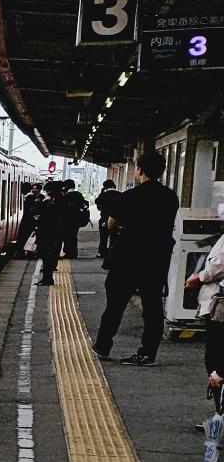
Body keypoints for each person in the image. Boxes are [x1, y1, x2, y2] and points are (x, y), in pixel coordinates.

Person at [96, 149, 180, 365]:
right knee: (152, 306)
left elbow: (111, 224)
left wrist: (129, 223)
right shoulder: (171, 197)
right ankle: (147, 354)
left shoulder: (130, 196)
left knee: (115, 305)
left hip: (128, 256)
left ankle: (103, 346)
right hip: (157, 257)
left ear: (140, 170)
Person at [186, 231, 224, 401]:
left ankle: (220, 415)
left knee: (215, 359)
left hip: (219, 305)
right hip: (215, 305)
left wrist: (200, 277)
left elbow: (219, 265)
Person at [35, 186, 70, 285]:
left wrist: (41, 202)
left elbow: (38, 213)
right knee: (52, 255)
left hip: (47, 234)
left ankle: (47, 279)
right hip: (58, 233)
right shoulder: (63, 202)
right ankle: (48, 277)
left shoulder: (49, 203)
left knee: (46, 256)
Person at [14, 183, 43, 257]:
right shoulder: (29, 197)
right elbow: (27, 209)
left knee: (36, 239)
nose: (34, 190)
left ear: (39, 189)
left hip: (37, 221)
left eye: (36, 188)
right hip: (27, 220)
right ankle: (20, 253)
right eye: (33, 188)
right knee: (23, 237)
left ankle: (33, 253)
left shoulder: (42, 197)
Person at [62, 180, 89, 259]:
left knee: (68, 236)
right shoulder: (79, 195)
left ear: (67, 186)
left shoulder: (66, 196)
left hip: (67, 220)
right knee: (73, 236)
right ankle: (74, 252)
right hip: (77, 220)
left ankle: (69, 252)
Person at [95, 183, 122, 262]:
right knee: (114, 238)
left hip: (104, 219)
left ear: (105, 187)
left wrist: (102, 192)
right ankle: (112, 253)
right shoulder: (120, 195)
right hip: (116, 220)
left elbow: (97, 202)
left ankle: (102, 253)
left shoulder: (103, 195)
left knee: (103, 238)